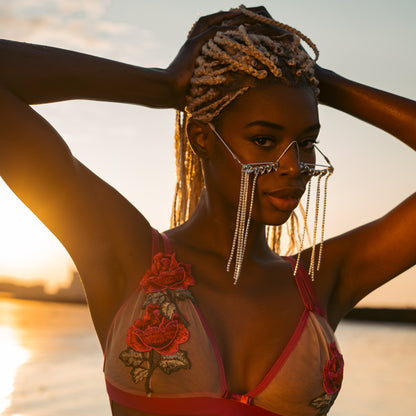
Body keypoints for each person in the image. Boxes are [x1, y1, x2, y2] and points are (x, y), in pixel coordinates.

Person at [0, 5, 415, 416]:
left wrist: (317, 79)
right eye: (265, 141)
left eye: (306, 141)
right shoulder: (126, 255)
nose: (295, 166)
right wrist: (162, 87)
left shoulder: (323, 280)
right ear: (202, 138)